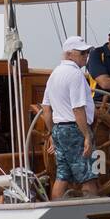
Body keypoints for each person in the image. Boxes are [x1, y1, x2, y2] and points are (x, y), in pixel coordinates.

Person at [42, 37, 99, 199]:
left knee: (62, 175)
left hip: (59, 130)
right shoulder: (75, 75)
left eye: (87, 52)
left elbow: (46, 108)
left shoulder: (54, 74)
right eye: (82, 53)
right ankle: (93, 214)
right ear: (69, 54)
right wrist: (87, 135)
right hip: (75, 130)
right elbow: (78, 109)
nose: (86, 56)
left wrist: (52, 133)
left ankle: (55, 212)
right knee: (88, 176)